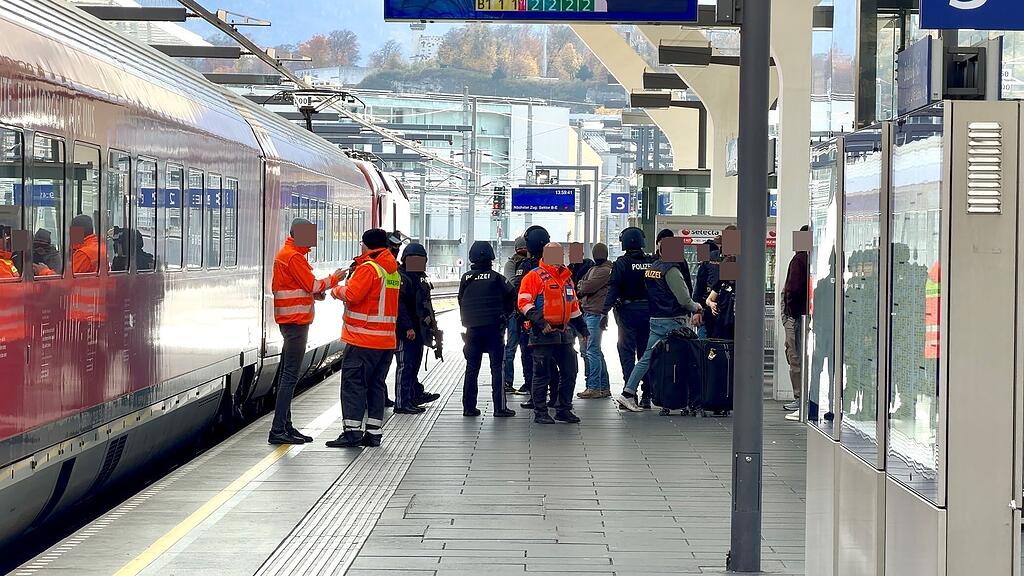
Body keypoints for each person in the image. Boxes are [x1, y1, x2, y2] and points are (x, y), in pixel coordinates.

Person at [268, 218, 345, 445]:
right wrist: (335, 279)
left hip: (292, 321)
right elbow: (312, 285)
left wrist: (313, 294)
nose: (312, 243)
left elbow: (299, 287)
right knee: (290, 376)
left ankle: (285, 426)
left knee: (287, 375)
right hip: (295, 322)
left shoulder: (291, 255)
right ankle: (278, 429)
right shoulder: (292, 257)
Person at [326, 228, 401, 448]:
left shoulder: (369, 268)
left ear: (367, 245)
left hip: (363, 340)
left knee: (354, 386)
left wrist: (335, 289)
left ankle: (352, 433)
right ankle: (374, 433)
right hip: (386, 342)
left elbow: (352, 295)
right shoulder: (392, 271)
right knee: (376, 386)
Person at [615, 230, 702, 412]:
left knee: (646, 358)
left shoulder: (653, 268)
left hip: (656, 319)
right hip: (673, 320)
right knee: (683, 359)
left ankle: (628, 393)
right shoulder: (672, 270)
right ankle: (685, 400)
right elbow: (684, 299)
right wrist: (697, 307)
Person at [518, 241, 590, 424]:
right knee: (542, 374)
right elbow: (523, 303)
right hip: (542, 333)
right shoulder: (533, 277)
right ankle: (540, 412)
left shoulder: (566, 278)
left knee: (570, 371)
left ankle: (563, 409)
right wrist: (541, 323)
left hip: (563, 333)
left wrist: (583, 329)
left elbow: (573, 307)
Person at [459, 240, 516, 418]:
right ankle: (499, 408)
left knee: (471, 368)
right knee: (497, 368)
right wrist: (504, 316)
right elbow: (511, 296)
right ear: (491, 257)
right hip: (494, 330)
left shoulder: (466, 278)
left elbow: (460, 299)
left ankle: (469, 407)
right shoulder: (498, 278)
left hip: (472, 330)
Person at [601, 227, 653, 408]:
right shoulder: (651, 261)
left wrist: (604, 312)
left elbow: (613, 289)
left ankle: (630, 392)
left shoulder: (621, 263)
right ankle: (648, 393)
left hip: (628, 313)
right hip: (649, 312)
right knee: (646, 354)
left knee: (627, 353)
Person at [575, 242, 612, 399]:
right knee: (593, 350)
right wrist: (583, 285)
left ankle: (595, 386)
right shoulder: (594, 269)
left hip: (595, 314)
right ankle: (603, 386)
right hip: (590, 313)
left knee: (591, 350)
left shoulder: (604, 271)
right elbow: (581, 284)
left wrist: (583, 286)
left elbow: (584, 287)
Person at [782, 225, 809, 420]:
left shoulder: (799, 259)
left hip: (798, 316)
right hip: (806, 315)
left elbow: (792, 289)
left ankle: (800, 398)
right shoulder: (812, 259)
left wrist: (788, 314)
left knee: (795, 355)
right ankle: (803, 398)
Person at [502, 235, 529, 393]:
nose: (523, 251)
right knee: (516, 347)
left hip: (521, 310)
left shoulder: (511, 264)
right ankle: (508, 381)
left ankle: (510, 382)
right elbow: (512, 283)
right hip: (515, 310)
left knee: (519, 347)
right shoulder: (512, 264)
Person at [706, 256, 737, 340]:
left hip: (735, 323)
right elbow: (709, 299)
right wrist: (712, 304)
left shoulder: (741, 282)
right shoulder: (721, 282)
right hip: (721, 321)